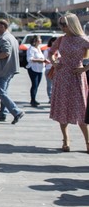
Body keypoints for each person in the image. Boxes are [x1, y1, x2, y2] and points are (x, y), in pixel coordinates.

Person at [48, 13, 89, 153]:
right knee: (62, 108)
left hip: (77, 77)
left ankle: (87, 142)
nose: (62, 27)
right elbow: (50, 52)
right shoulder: (61, 39)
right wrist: (54, 63)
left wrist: (85, 67)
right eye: (61, 24)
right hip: (62, 76)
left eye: (64, 24)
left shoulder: (83, 39)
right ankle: (66, 139)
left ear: (72, 24)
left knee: (82, 110)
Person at [0, 19, 25, 124]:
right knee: (4, 92)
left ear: (3, 27)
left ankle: (16, 111)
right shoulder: (12, 37)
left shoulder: (4, 39)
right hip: (10, 69)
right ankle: (2, 114)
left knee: (0, 93)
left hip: (3, 69)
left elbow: (6, 53)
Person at [25, 35, 47, 107]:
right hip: (33, 68)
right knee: (34, 84)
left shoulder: (38, 48)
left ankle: (34, 99)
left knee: (37, 85)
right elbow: (30, 59)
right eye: (39, 39)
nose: (41, 40)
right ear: (35, 41)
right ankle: (33, 100)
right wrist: (41, 60)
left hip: (40, 69)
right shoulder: (31, 49)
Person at [44, 36, 58, 102]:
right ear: (52, 42)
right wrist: (51, 61)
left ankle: (55, 98)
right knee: (49, 84)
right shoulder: (47, 50)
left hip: (57, 69)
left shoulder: (59, 50)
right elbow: (44, 59)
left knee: (56, 85)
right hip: (49, 68)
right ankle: (50, 98)